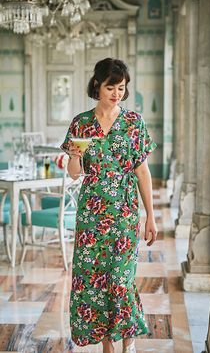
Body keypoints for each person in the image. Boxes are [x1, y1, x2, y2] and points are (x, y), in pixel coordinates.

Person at [61, 57, 158, 353]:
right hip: (92, 214)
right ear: (96, 86)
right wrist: (75, 157)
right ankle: (107, 343)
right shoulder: (82, 123)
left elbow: (142, 172)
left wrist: (151, 216)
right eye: (110, 87)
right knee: (95, 279)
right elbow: (75, 173)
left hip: (125, 213)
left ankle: (127, 336)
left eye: (121, 88)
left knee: (119, 278)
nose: (116, 93)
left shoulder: (133, 123)